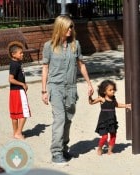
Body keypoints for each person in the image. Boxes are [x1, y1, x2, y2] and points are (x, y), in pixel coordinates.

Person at [42, 15, 94, 164]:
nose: (71, 29)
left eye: (72, 26)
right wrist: (44, 91)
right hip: (55, 87)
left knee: (68, 119)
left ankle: (64, 148)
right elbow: (45, 68)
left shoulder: (75, 45)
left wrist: (89, 84)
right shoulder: (49, 46)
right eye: (68, 27)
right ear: (60, 27)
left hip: (71, 87)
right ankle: (56, 152)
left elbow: (81, 65)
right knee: (59, 119)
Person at [89, 80, 131, 155]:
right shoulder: (101, 99)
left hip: (112, 120)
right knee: (104, 137)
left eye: (113, 89)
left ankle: (110, 150)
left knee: (113, 135)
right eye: (110, 90)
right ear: (104, 91)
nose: (113, 91)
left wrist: (126, 105)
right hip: (103, 121)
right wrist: (90, 96)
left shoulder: (113, 99)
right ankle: (100, 148)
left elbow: (117, 105)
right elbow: (91, 102)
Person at [8, 41, 31, 140]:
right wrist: (22, 84)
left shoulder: (16, 63)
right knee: (24, 113)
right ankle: (18, 132)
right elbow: (11, 79)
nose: (22, 54)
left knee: (15, 113)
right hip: (18, 91)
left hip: (14, 92)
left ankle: (15, 133)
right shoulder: (15, 65)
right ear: (13, 54)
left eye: (22, 53)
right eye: (20, 53)